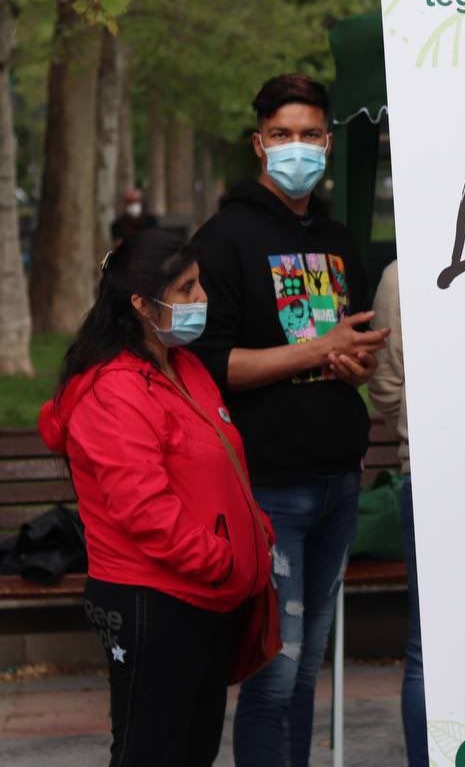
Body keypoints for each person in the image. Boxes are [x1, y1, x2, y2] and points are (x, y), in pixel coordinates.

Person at [188, 74, 389, 767]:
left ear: (328, 143)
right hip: (266, 487)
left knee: (305, 676)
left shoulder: (336, 239)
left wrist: (354, 366)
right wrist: (317, 347)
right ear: (258, 143)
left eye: (309, 135)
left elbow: (349, 343)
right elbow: (210, 367)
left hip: (337, 481)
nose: (296, 148)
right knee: (272, 676)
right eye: (282, 135)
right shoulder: (223, 239)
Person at [38, 229, 273, 767]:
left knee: (193, 750)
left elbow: (219, 461)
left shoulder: (182, 365)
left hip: (207, 598)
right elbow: (144, 508)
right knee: (151, 751)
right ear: (142, 305)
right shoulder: (113, 389)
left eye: (200, 285)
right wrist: (222, 560)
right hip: (156, 601)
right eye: (187, 290)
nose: (202, 300)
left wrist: (254, 531)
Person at [366, 259, 427, 766]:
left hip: (427, 473)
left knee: (427, 650)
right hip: (435, 482)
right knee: (429, 649)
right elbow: (384, 384)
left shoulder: (401, 273)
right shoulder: (402, 274)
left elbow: (387, 385)